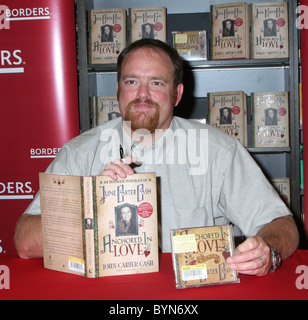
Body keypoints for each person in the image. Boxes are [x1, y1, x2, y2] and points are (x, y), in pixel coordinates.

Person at [14, 39, 299, 276]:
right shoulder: (79, 152)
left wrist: (267, 252)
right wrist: (89, 206)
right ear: (117, 90)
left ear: (177, 94)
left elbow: (282, 225)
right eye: (131, 81)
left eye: (157, 83)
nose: (142, 94)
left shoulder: (218, 151)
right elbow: (25, 241)